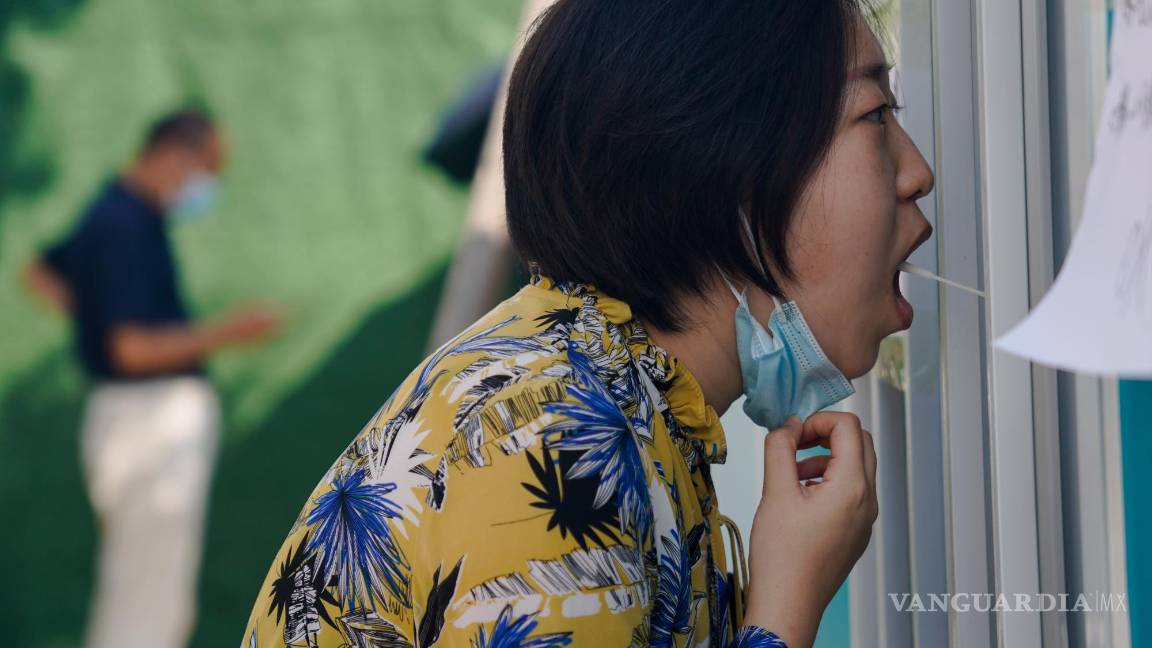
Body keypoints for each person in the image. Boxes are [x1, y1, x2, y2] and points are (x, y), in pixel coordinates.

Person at [240, 0, 935, 645]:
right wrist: (786, 606)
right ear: (727, 165)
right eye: (875, 114)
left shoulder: (604, 401)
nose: (918, 171)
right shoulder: (553, 441)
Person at [22, 109, 281, 648]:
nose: (206, 185)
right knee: (145, 606)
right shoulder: (126, 225)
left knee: (142, 593)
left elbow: (39, 273)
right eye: (206, 169)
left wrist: (91, 318)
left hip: (129, 418)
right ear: (171, 155)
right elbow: (133, 349)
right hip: (148, 419)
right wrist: (229, 332)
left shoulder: (112, 212)